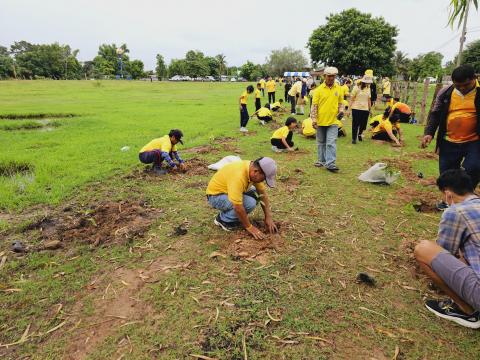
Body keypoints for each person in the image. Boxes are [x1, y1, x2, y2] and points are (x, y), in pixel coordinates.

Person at [414, 169, 480, 328]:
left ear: (448, 194)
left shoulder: (455, 211)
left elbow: (445, 251)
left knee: (423, 249)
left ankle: (465, 310)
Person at [421, 64, 480, 189]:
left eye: (466, 85)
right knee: (447, 174)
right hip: (449, 140)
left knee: (473, 168)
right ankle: (449, 201)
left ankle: (465, 199)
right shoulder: (446, 92)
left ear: (474, 78)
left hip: (474, 141)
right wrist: (429, 132)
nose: (462, 88)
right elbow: (435, 114)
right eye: (458, 86)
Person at [206, 157, 278, 239]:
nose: (263, 181)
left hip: (229, 190)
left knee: (255, 193)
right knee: (250, 203)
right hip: (216, 196)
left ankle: (230, 216)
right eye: (264, 179)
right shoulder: (239, 176)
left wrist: (268, 217)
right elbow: (238, 207)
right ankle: (224, 220)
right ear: (256, 172)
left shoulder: (251, 169)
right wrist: (249, 227)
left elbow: (262, 194)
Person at [310, 67, 344, 172]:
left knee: (331, 142)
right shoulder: (318, 90)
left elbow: (340, 103)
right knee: (321, 142)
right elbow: (314, 106)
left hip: (333, 121)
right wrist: (314, 120)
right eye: (329, 76)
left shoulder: (339, 89)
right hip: (320, 121)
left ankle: (330, 163)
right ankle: (321, 160)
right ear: (324, 76)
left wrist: (341, 111)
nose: (331, 78)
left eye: (333, 76)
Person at [349, 75, 372, 144]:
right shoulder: (356, 88)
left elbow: (369, 99)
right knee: (355, 124)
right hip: (356, 108)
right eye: (367, 82)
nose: (369, 83)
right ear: (363, 81)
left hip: (365, 109)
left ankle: (359, 134)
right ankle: (354, 139)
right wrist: (348, 109)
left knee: (363, 124)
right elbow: (352, 99)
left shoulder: (368, 88)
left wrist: (370, 109)